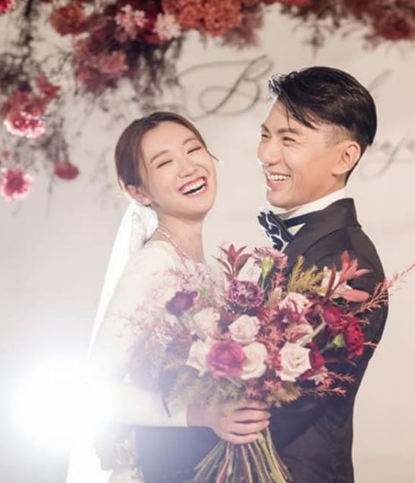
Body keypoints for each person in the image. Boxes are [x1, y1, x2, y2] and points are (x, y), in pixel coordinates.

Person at [65, 112, 270, 483]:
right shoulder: (154, 264)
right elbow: (95, 388)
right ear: (138, 192)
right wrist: (199, 414)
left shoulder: (203, 268)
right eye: (165, 163)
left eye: (193, 150)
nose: (189, 167)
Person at [255, 66, 388, 483]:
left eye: (288, 139)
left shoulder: (347, 263)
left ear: (344, 157)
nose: (267, 154)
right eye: (265, 135)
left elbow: (288, 404)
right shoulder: (312, 245)